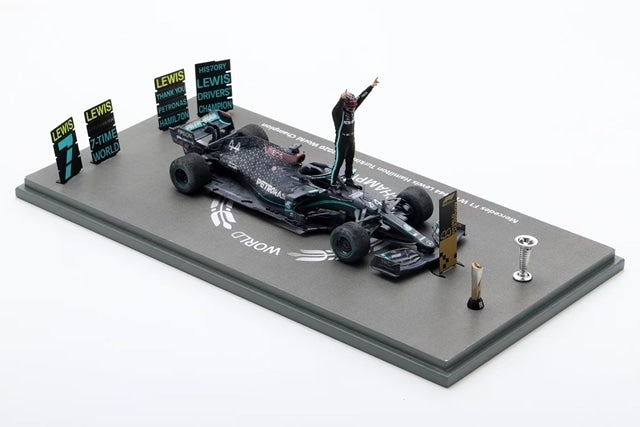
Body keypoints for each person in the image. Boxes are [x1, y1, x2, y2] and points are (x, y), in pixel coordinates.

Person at [330, 77, 379, 192]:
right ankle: (332, 184)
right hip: (341, 141)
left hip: (351, 140)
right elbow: (335, 109)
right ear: (345, 105)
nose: (353, 109)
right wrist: (341, 98)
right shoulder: (338, 114)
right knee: (338, 163)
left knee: (350, 161)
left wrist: (371, 86)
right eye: (351, 107)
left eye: (354, 106)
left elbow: (361, 97)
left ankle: (348, 179)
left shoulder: (352, 107)